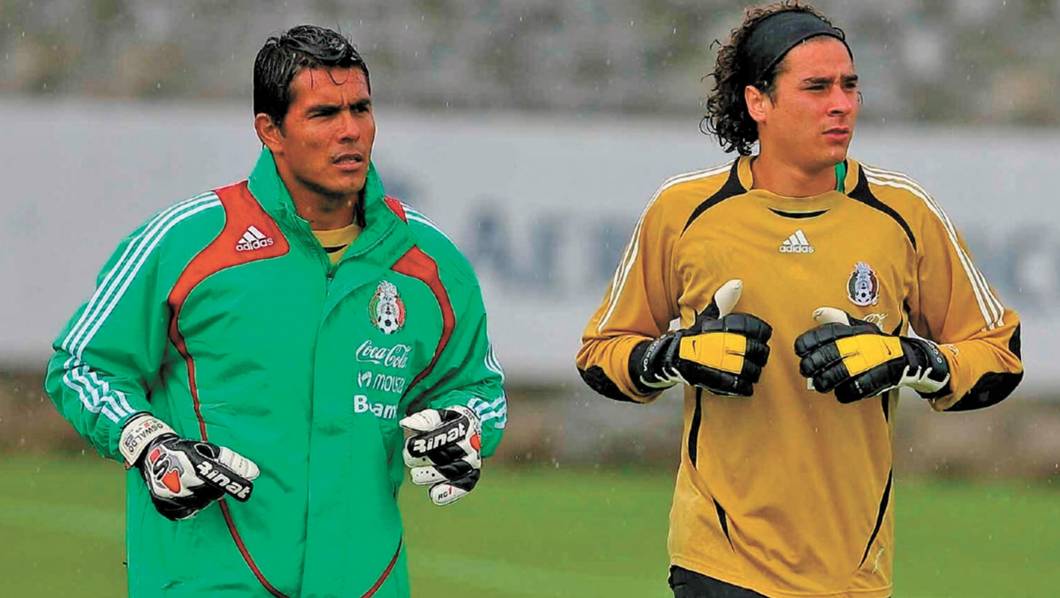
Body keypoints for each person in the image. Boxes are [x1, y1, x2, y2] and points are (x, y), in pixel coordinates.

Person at [576, 2, 1023, 597]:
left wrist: (912, 361)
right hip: (718, 561)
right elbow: (600, 353)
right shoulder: (684, 212)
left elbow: (1000, 355)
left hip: (851, 571)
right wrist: (672, 357)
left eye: (849, 85)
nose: (842, 104)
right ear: (758, 102)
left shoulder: (904, 213)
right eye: (817, 87)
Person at [44, 24, 507, 597]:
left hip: (366, 583)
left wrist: (465, 429)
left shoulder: (429, 261)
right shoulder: (186, 242)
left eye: (361, 109)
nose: (350, 131)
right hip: (207, 583)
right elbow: (82, 365)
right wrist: (150, 444)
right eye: (324, 114)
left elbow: (476, 388)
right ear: (270, 131)